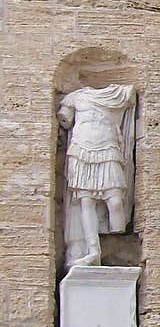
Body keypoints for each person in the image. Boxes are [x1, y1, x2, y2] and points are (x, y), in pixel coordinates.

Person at [58, 83, 136, 269]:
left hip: (108, 148)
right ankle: (94, 251)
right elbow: (65, 120)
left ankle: (117, 235)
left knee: (116, 201)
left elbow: (130, 98)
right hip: (81, 150)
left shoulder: (120, 93)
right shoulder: (75, 96)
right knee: (86, 202)